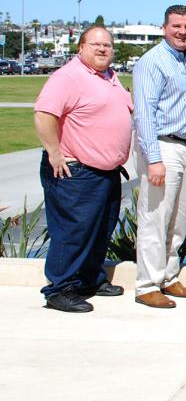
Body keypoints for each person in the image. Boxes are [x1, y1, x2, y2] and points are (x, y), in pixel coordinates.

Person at [34, 27, 132, 313]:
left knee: (101, 228)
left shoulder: (109, 77)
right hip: (76, 171)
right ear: (81, 47)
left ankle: (89, 279)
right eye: (96, 44)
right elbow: (44, 115)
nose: (103, 49)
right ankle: (60, 289)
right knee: (72, 230)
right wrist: (55, 152)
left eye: (108, 45)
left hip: (106, 172)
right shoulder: (67, 77)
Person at [132, 5, 186, 309]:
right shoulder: (152, 62)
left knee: (177, 220)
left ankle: (168, 276)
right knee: (155, 217)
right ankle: (146, 284)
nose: (183, 32)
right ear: (164, 28)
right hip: (163, 146)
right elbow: (145, 114)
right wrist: (153, 158)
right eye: (177, 26)